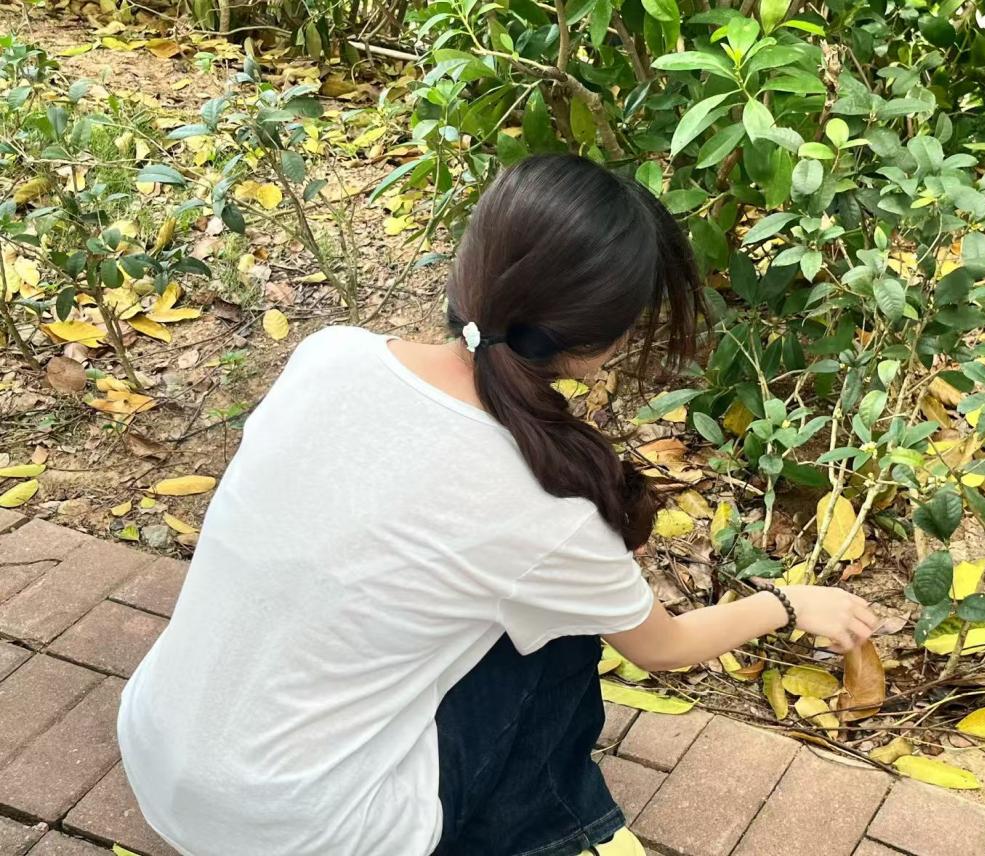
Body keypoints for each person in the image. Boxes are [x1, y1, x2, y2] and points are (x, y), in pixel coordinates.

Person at [117, 154, 878, 856]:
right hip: (306, 832)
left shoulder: (329, 354)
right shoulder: (550, 508)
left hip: (156, 750)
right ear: (603, 342)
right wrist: (787, 602)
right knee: (562, 641)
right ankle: (542, 832)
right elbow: (664, 647)